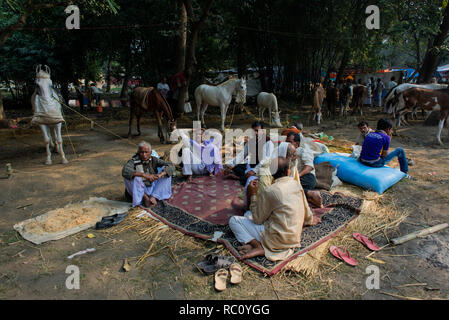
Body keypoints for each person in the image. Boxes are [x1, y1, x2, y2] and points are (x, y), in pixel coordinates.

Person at [228, 157, 306, 261]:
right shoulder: (296, 185)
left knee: (233, 221)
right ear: (288, 172)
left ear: (272, 173)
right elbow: (306, 210)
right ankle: (258, 243)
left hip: (276, 240)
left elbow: (257, 219)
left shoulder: (270, 190)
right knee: (247, 214)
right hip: (294, 237)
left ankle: (257, 246)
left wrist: (253, 194)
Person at [122, 141, 176, 207]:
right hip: (140, 189)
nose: (144, 155)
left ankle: (154, 197)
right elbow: (125, 171)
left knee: (167, 171)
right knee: (133, 177)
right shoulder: (133, 161)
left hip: (151, 187)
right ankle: (145, 198)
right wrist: (144, 175)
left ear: (150, 152)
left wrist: (160, 174)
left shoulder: (154, 160)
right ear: (138, 152)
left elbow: (171, 165)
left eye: (146, 152)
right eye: (142, 152)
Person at [225, 121, 274, 186]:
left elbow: (266, 159)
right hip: (252, 165)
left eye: (257, 131)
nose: (255, 133)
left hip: (262, 168)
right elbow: (242, 155)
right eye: (254, 131)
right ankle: (243, 176)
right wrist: (231, 166)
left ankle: (240, 177)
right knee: (235, 166)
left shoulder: (268, 143)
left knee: (251, 181)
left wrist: (254, 171)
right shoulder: (250, 142)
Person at [286, 132, 323, 207]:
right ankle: (308, 196)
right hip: (294, 178)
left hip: (306, 177)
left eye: (290, 142)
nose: (287, 144)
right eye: (286, 142)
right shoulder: (286, 151)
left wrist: (297, 176)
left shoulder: (304, 150)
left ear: (296, 144)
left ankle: (310, 193)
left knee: (288, 189)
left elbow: (308, 167)